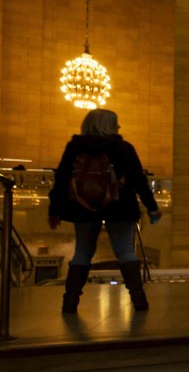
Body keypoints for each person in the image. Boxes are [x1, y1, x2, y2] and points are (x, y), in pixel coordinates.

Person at [48, 109, 161, 314]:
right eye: (116, 124)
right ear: (110, 125)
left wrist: (54, 209)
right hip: (119, 206)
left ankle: (70, 301)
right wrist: (151, 206)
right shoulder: (123, 148)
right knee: (125, 250)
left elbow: (62, 178)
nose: (119, 128)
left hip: (83, 207)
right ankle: (138, 298)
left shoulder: (75, 147)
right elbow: (138, 179)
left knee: (82, 250)